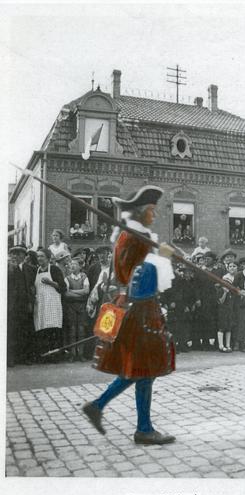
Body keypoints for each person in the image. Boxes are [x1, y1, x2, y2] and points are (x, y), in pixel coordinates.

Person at [82, 185, 177, 445]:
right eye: (151, 211)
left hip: (141, 310)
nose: (154, 215)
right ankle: (141, 428)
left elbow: (149, 259)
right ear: (140, 212)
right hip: (139, 311)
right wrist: (164, 258)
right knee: (143, 369)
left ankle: (104, 408)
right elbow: (136, 275)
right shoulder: (132, 237)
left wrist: (166, 253)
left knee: (141, 369)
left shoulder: (138, 236)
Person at [34, 248, 67, 361]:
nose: (39, 258)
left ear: (48, 258)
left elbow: (63, 287)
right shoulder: (36, 270)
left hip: (52, 303)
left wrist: (50, 282)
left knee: (53, 329)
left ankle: (55, 357)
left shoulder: (54, 269)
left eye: (42, 256)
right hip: (40, 304)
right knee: (42, 329)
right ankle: (44, 357)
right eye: (38, 256)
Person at [7, 245, 36, 365]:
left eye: (18, 254)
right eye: (13, 253)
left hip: (25, 305)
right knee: (12, 331)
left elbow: (31, 286)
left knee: (25, 331)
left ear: (24, 256)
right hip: (11, 305)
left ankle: (25, 357)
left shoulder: (30, 269)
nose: (15, 256)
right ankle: (10, 358)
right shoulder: (7, 268)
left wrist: (31, 302)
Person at [64, 258, 90, 361]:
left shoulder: (84, 277)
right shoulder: (67, 278)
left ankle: (81, 354)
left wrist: (72, 291)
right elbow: (66, 293)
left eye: (75, 264)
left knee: (81, 329)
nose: (72, 266)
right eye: (71, 264)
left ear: (80, 266)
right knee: (72, 329)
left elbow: (86, 291)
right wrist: (80, 292)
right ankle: (73, 354)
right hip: (71, 306)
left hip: (82, 306)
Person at [216, 261, 238, 352]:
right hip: (223, 310)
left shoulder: (231, 292)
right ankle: (221, 345)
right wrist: (225, 292)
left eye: (228, 283)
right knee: (222, 327)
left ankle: (228, 345)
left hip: (230, 310)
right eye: (225, 283)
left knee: (229, 328)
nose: (227, 285)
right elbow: (220, 301)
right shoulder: (221, 290)